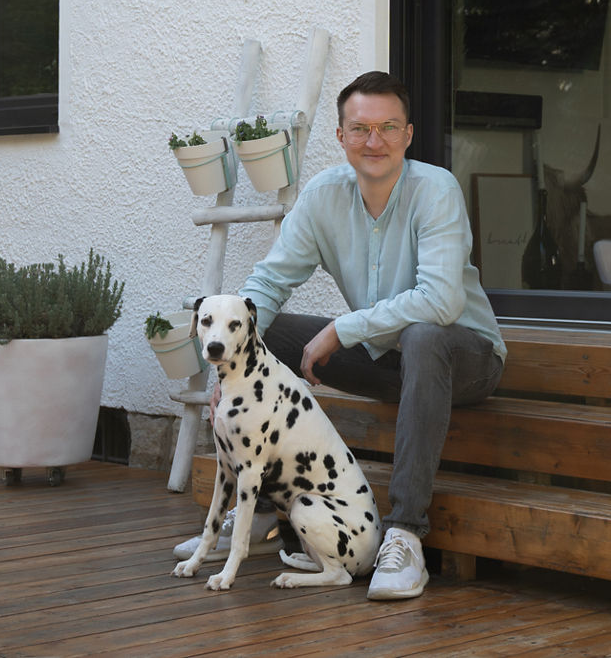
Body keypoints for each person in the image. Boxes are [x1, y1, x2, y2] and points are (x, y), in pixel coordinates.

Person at [172, 70, 506, 600]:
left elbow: (443, 302)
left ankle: (405, 535)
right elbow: (267, 284)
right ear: (341, 136)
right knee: (268, 327)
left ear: (409, 135)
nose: (374, 142)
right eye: (360, 129)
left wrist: (341, 328)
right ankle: (260, 512)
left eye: (388, 128)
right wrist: (228, 372)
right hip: (387, 359)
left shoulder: (435, 190)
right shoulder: (324, 196)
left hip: (464, 357)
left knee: (422, 335)